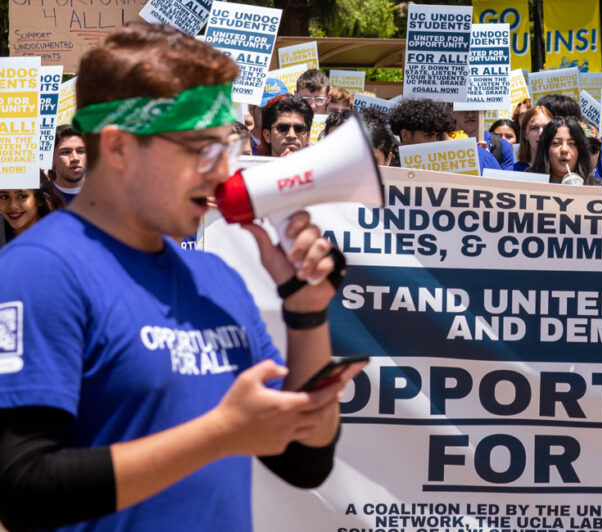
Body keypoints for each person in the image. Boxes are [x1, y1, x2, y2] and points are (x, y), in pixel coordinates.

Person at [0, 22, 363, 532]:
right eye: (201, 150)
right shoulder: (39, 271)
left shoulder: (213, 276)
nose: (221, 175)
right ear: (121, 146)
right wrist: (219, 434)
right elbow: (21, 490)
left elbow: (304, 459)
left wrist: (306, 311)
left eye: (226, 151)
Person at [389, 99, 502, 174]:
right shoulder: (389, 165)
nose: (435, 142)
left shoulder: (479, 157)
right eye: (428, 136)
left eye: (439, 136)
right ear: (405, 135)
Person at [528, 117, 597, 185]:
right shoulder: (526, 184)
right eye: (556, 143)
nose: (564, 149)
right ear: (546, 149)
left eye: (571, 143)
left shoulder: (598, 189)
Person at [0, 180, 65, 248]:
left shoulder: (62, 237)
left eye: (22, 196)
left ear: (39, 199)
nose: (13, 206)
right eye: (4, 197)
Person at [51, 125, 87, 204]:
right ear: (51, 160)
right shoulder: (45, 199)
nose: (75, 158)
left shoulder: (104, 193)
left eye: (80, 151)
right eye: (66, 152)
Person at [514, 105, 552, 172]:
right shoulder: (514, 171)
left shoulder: (562, 169)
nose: (541, 133)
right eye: (534, 128)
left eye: (546, 127)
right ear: (525, 134)